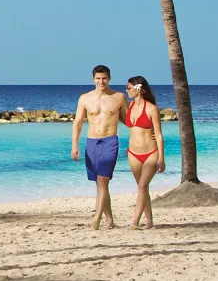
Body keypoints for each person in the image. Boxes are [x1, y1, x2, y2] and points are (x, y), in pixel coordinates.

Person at [70, 65, 128, 229]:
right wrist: (75, 144)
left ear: (109, 78)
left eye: (104, 78)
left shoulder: (119, 97)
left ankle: (96, 219)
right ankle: (109, 220)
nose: (101, 81)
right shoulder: (85, 98)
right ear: (93, 79)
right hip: (91, 142)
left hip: (110, 141)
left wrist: (143, 133)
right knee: (99, 183)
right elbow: (78, 122)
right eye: (98, 78)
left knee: (103, 180)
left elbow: (128, 120)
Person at [122, 74, 166, 228]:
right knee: (142, 187)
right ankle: (150, 221)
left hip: (150, 153)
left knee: (142, 187)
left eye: (128, 87)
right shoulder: (130, 106)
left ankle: (134, 222)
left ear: (138, 89)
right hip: (133, 153)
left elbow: (159, 135)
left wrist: (161, 157)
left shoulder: (152, 109)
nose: (126, 91)